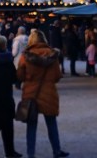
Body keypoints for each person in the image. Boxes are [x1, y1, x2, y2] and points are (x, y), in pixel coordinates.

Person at [17, 29, 69, 158]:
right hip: (48, 92)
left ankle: (31, 153)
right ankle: (56, 150)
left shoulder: (25, 56)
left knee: (31, 126)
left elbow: (20, 76)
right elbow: (57, 76)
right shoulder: (52, 55)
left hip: (31, 93)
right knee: (51, 123)